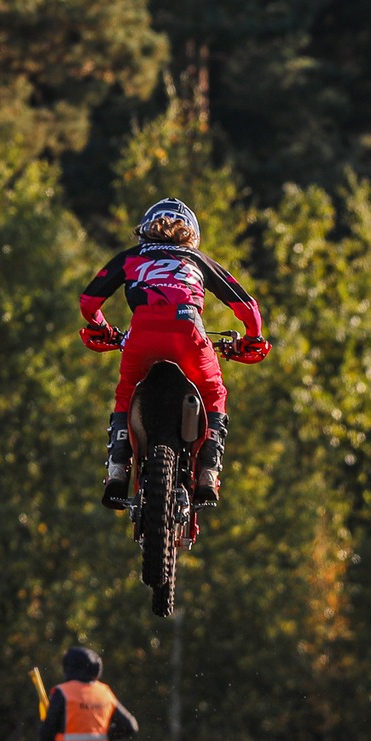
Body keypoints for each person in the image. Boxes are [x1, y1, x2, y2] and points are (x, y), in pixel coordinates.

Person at [79, 197, 270, 510]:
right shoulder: (196, 259)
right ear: (191, 234)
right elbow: (247, 307)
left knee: (126, 394)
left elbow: (88, 303)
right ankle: (208, 471)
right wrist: (252, 338)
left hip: (141, 334)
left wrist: (103, 328)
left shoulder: (131, 257)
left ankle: (116, 470)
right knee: (213, 392)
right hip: (188, 332)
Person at [38, 646, 139, 741]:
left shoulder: (63, 692)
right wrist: (104, 736)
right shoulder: (104, 692)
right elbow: (130, 726)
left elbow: (48, 731)